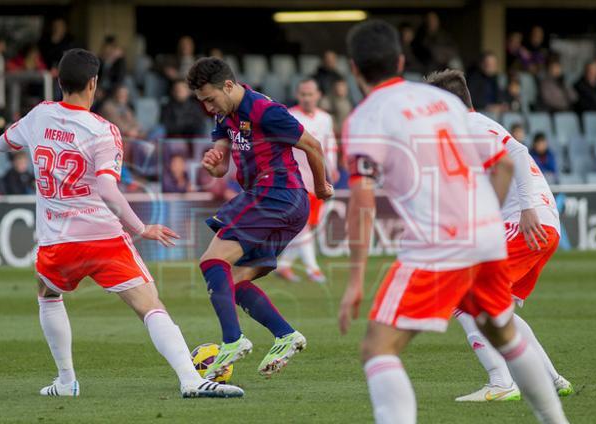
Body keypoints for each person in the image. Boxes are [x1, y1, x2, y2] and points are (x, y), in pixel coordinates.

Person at [339, 20, 568, 424]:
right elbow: (501, 163)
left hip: (436, 243)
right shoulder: (444, 105)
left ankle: (501, 383)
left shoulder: (364, 119)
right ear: (400, 60)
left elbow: (362, 203)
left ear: (354, 69)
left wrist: (355, 278)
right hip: (484, 235)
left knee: (378, 346)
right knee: (501, 326)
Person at [0, 48, 243, 399]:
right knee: (150, 305)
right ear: (94, 83)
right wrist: (141, 228)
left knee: (48, 295)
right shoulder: (102, 130)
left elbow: (2, 144)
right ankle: (190, 379)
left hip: (56, 240)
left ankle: (66, 382)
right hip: (102, 237)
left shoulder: (39, 116)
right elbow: (108, 189)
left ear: (58, 80)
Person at [426, 69, 573, 402]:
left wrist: (526, 208)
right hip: (540, 223)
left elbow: (519, 153)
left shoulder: (470, 127)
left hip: (528, 222)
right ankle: (551, 379)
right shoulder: (476, 127)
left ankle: (501, 382)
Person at [187, 57, 333, 380]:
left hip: (277, 193)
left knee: (212, 261)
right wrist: (215, 164)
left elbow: (313, 145)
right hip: (279, 202)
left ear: (228, 85)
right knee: (235, 281)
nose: (209, 107)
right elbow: (222, 162)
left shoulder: (266, 111)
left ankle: (232, 341)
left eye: (210, 99)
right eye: (203, 102)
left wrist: (321, 186)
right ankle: (285, 335)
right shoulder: (225, 114)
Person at [277, 78, 338, 284]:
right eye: (303, 94)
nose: (306, 98)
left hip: (316, 179)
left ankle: (284, 265)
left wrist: (333, 167)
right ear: (297, 95)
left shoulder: (325, 118)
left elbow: (329, 144)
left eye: (310, 94)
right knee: (302, 224)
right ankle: (313, 269)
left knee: (309, 225)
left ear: (318, 95)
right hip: (295, 178)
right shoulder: (289, 116)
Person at [160, 79, 206, 145]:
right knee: (159, 130)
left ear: (188, 91)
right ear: (173, 91)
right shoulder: (167, 106)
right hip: (172, 138)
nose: (179, 91)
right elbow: (165, 124)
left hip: (191, 138)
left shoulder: (195, 106)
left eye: (182, 89)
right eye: (177, 89)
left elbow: (198, 124)